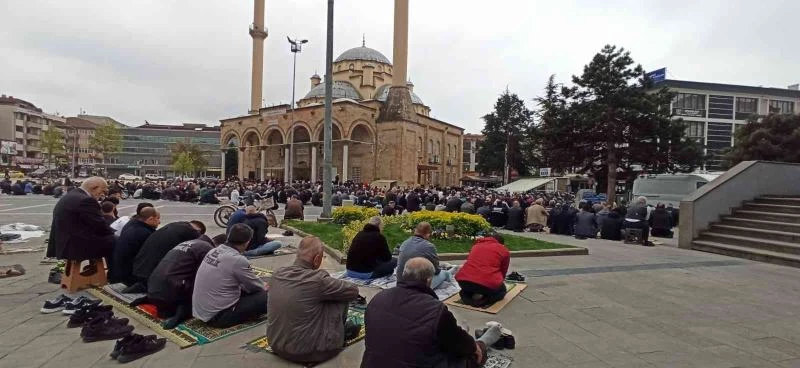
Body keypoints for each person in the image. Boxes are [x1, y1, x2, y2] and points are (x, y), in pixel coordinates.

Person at [362, 257, 503, 367]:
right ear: (429, 280)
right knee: (473, 354)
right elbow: (463, 347)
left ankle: (463, 332)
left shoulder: (378, 298)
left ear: (404, 275)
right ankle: (489, 336)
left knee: (449, 336)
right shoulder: (435, 310)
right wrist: (474, 347)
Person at [267, 237, 360, 365]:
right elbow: (353, 291)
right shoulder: (318, 280)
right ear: (316, 259)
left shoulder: (277, 273)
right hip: (312, 351)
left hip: (276, 344)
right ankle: (340, 332)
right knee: (341, 294)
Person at [193, 224, 267, 328]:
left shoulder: (213, 251)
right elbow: (256, 287)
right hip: (219, 316)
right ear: (247, 242)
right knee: (270, 295)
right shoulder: (237, 260)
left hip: (202, 311)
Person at [46, 177, 115, 276]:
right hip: (75, 245)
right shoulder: (86, 200)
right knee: (117, 241)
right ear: (93, 188)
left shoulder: (71, 195)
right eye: (102, 190)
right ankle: (114, 275)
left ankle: (96, 271)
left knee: (111, 239)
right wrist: (114, 231)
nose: (103, 194)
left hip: (64, 241)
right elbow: (100, 226)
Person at [148, 235, 220, 329]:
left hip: (152, 288)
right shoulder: (207, 249)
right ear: (218, 246)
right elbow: (206, 275)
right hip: (171, 293)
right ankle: (183, 311)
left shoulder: (189, 243)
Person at [128, 220, 207, 292]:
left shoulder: (172, 225)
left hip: (137, 269)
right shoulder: (191, 232)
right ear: (199, 230)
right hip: (151, 277)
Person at [455, 234, 510, 307]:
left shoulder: (476, 246)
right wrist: (498, 283)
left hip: (462, 281)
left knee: (471, 287)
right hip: (485, 285)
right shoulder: (504, 250)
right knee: (502, 291)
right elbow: (503, 271)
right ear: (501, 244)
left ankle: (465, 295)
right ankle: (483, 301)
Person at [109, 207, 160, 285]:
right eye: (158, 218)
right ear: (150, 219)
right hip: (130, 276)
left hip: (117, 271)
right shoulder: (145, 233)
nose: (159, 222)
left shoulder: (131, 225)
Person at [396, 222, 452, 290]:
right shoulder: (429, 246)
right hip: (418, 286)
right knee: (446, 274)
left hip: (400, 282)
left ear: (415, 231)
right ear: (428, 234)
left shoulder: (404, 243)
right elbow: (436, 270)